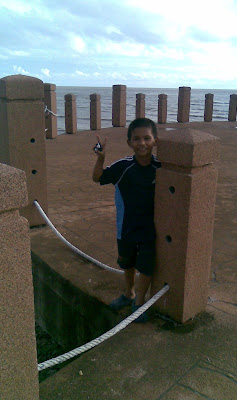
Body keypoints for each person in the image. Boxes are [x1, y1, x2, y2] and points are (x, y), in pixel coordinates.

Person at [92, 118, 160, 322]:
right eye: (136, 139)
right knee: (127, 264)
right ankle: (128, 293)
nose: (142, 143)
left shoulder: (162, 167)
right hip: (126, 228)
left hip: (151, 230)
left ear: (155, 140)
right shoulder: (123, 166)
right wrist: (100, 158)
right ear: (129, 142)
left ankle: (139, 302)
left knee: (147, 267)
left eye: (147, 138)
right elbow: (98, 178)